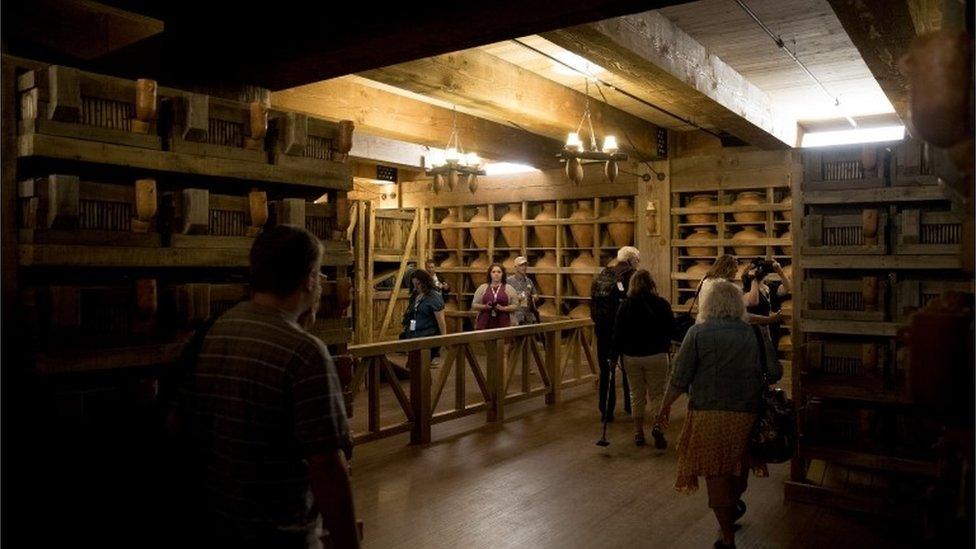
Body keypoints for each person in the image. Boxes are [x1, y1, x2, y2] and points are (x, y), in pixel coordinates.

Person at [179, 225, 359, 548]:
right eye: (318, 274)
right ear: (309, 278)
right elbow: (328, 469)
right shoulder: (305, 353)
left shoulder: (215, 330)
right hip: (281, 535)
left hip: (216, 525)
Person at [655, 280, 780, 549]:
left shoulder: (697, 334)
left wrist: (664, 406)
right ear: (738, 305)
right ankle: (731, 509)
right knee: (738, 469)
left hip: (708, 414)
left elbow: (680, 377)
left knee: (716, 473)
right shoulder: (756, 333)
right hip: (747, 413)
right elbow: (776, 372)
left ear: (708, 304)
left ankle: (727, 535)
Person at [612, 270, 675, 447]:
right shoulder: (661, 304)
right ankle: (658, 428)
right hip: (657, 355)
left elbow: (617, 333)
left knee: (636, 394)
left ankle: (638, 432)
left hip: (631, 356)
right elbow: (671, 329)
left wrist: (613, 356)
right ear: (651, 284)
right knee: (658, 395)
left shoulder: (626, 305)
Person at [590, 246, 640, 422]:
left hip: (602, 330)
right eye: (637, 260)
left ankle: (606, 410)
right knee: (630, 369)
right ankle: (631, 405)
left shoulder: (603, 275)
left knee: (606, 371)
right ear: (632, 260)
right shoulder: (633, 276)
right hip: (625, 330)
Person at [400, 269, 448, 361]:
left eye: (418, 284)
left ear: (425, 282)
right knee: (413, 365)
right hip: (414, 334)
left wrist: (443, 339)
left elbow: (441, 321)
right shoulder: (416, 295)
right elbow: (413, 314)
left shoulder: (434, 297)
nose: (416, 287)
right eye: (414, 284)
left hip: (427, 335)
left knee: (419, 365)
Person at [471, 263, 519, 329]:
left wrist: (503, 308)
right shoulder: (482, 288)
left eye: (499, 272)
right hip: (484, 323)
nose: (496, 274)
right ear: (490, 274)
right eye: (493, 272)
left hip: (505, 322)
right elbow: (474, 305)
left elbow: (516, 306)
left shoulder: (509, 288)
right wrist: (485, 306)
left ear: (503, 274)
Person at [507, 256, 540, 326]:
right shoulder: (509, 281)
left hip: (527, 313)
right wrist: (516, 298)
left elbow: (535, 294)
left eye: (525, 265)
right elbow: (504, 297)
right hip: (514, 313)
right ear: (515, 267)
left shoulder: (529, 281)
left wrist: (534, 297)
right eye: (521, 265)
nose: (524, 267)